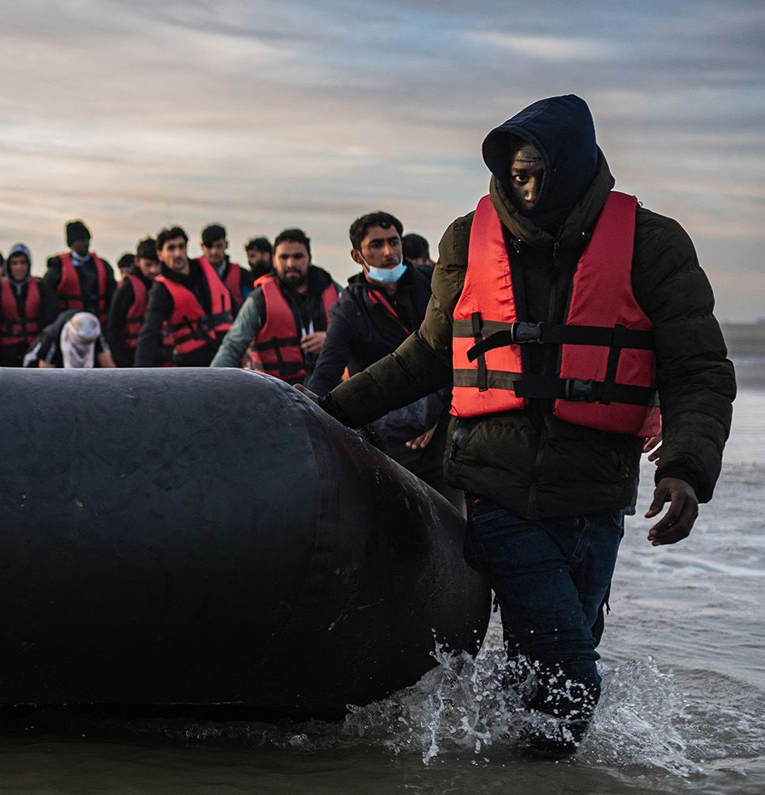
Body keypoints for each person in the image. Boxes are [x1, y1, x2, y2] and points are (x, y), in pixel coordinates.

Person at [308, 95, 735, 758]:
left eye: (537, 172)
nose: (525, 188)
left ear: (577, 165)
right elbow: (426, 356)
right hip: (498, 489)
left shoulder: (653, 244)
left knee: (556, 656)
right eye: (515, 175)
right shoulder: (464, 240)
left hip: (597, 494)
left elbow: (699, 368)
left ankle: (500, 770)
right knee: (571, 677)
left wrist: (686, 466)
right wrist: (324, 412)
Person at [303, 211, 460, 508]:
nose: (389, 252)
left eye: (394, 242)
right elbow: (328, 368)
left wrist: (435, 412)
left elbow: (458, 350)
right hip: (387, 440)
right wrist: (310, 411)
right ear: (356, 255)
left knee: (452, 518)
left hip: (444, 430)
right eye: (376, 245)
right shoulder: (348, 308)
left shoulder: (432, 284)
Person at [210, 229, 342, 379]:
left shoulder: (335, 291)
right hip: (277, 392)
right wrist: (210, 384)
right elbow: (232, 346)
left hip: (326, 389)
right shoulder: (260, 299)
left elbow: (358, 335)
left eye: (298, 257)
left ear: (309, 258)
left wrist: (331, 339)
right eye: (284, 257)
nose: (291, 264)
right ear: (273, 260)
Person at [136, 226, 236, 367]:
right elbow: (149, 334)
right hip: (193, 365)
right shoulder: (161, 290)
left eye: (181, 247)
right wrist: (139, 376)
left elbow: (234, 308)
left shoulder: (206, 269)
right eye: (171, 248)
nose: (178, 253)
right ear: (160, 254)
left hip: (227, 356)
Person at [0, 243, 57, 368]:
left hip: (34, 351)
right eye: (15, 263)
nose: (19, 267)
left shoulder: (42, 288)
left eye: (23, 263)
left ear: (28, 265)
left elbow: (49, 324)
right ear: (9, 266)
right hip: (6, 354)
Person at [106, 238, 167, 368]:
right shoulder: (127, 289)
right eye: (148, 265)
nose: (153, 270)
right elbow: (113, 329)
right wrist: (123, 365)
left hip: (163, 357)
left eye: (157, 264)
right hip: (132, 358)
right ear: (138, 262)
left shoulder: (166, 285)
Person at [43, 219, 116, 317]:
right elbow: (47, 294)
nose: (84, 244)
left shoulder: (103, 266)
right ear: (71, 244)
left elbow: (112, 295)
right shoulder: (58, 267)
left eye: (86, 240)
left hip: (97, 321)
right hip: (68, 322)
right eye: (79, 240)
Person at [25, 311, 115, 368]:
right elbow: (45, 370)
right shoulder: (53, 335)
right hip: (39, 369)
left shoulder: (94, 330)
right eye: (82, 341)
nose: (85, 345)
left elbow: (106, 361)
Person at [200, 223, 248, 303]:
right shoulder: (192, 273)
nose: (214, 252)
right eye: (209, 247)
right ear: (202, 246)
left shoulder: (243, 275)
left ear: (226, 244)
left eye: (219, 246)